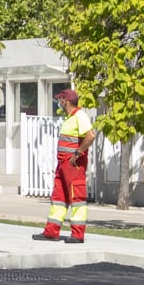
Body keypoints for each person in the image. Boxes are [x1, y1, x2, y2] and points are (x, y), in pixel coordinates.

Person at [34, 88, 96, 244]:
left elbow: (90, 136)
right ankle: (51, 232)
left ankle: (77, 234)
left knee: (77, 198)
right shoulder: (70, 118)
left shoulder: (79, 116)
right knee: (59, 198)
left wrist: (78, 153)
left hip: (73, 165)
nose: (59, 102)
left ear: (65, 101)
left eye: (60, 99)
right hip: (63, 164)